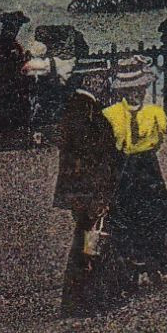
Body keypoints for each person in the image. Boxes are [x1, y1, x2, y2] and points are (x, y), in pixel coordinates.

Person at [103, 57, 167, 288]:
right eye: (129, 90)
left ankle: (158, 262)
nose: (134, 94)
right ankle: (131, 266)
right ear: (122, 91)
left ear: (144, 89)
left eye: (138, 89)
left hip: (147, 167)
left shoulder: (155, 113)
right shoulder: (111, 115)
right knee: (126, 213)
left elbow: (157, 142)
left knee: (157, 211)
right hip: (125, 168)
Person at [54, 59, 123, 317]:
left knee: (87, 240)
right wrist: (100, 194)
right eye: (101, 80)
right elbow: (91, 158)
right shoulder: (86, 111)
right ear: (90, 81)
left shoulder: (78, 108)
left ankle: (85, 298)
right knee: (89, 241)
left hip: (84, 191)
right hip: (90, 192)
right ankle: (87, 299)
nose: (105, 85)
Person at [0, 10, 33, 144]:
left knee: (13, 111)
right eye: (14, 26)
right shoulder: (3, 42)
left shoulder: (12, 43)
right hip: (4, 83)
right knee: (5, 111)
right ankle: (5, 139)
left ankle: (10, 138)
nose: (16, 30)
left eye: (17, 27)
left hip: (11, 83)